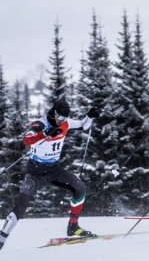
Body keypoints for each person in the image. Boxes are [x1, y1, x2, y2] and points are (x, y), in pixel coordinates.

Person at [0, 99, 100, 250]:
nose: (62, 121)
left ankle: (73, 227)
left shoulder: (65, 123)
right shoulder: (41, 124)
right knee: (20, 207)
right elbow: (27, 140)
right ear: (54, 113)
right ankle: (1, 240)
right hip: (35, 172)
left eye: (64, 118)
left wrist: (90, 116)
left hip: (54, 170)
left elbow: (83, 125)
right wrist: (43, 133)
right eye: (60, 117)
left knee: (80, 187)